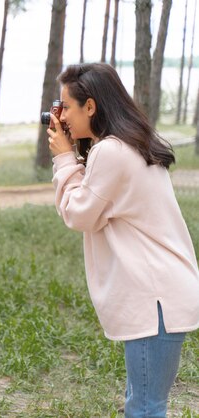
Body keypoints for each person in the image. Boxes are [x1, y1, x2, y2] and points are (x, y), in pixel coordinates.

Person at [47, 62, 199, 417]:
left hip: (154, 299)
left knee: (144, 407)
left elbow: (79, 214)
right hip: (164, 294)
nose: (62, 115)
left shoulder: (111, 151)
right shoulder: (132, 143)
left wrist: (64, 158)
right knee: (144, 403)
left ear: (90, 106)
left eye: (66, 106)